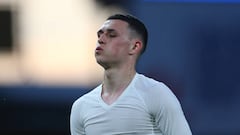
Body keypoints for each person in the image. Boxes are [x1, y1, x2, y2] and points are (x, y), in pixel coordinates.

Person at [70, 13, 192, 135]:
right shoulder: (81, 106)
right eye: (99, 35)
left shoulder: (156, 93)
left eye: (111, 35)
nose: (100, 40)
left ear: (134, 47)